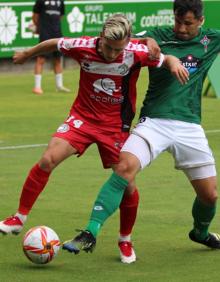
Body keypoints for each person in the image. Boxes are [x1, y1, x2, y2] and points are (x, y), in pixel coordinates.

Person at [0, 14, 188, 264]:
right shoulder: (84, 47)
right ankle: (18, 218)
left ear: (128, 42)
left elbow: (165, 59)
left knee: (128, 185)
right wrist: (27, 54)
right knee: (47, 159)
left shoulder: (134, 52)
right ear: (100, 38)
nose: (112, 54)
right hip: (82, 119)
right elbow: (53, 43)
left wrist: (174, 63)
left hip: (114, 127)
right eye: (108, 48)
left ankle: (125, 239)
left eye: (117, 49)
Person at [63, 0, 220, 260]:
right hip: (154, 121)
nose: (181, 28)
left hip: (190, 125)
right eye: (178, 21)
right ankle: (90, 231)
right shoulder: (157, 35)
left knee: (210, 195)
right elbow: (121, 40)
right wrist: (145, 42)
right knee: (124, 168)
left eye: (188, 24)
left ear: (201, 21)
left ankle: (201, 233)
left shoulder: (212, 39)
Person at [32, 0, 70, 94]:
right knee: (41, 59)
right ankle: (37, 87)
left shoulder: (60, 2)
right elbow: (35, 16)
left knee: (58, 59)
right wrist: (39, 28)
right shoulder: (40, 1)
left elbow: (60, 16)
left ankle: (59, 86)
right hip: (45, 33)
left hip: (57, 33)